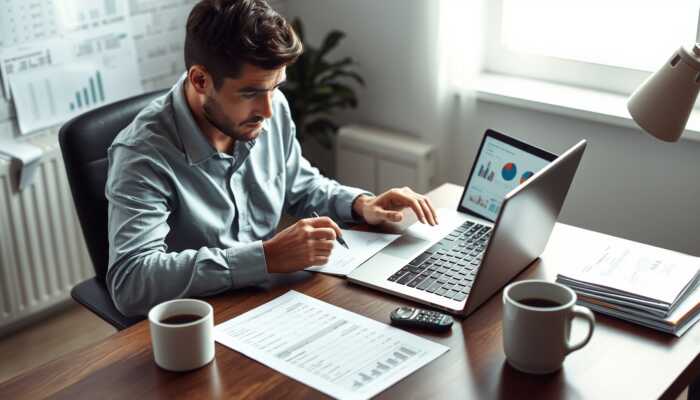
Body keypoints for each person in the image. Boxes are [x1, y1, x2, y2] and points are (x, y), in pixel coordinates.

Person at [106, 0, 438, 317]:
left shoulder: (270, 107)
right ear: (200, 80)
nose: (267, 110)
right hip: (198, 321)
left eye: (276, 87)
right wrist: (265, 258)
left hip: (269, 302)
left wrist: (362, 205)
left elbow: (298, 183)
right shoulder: (141, 155)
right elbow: (132, 281)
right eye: (250, 93)